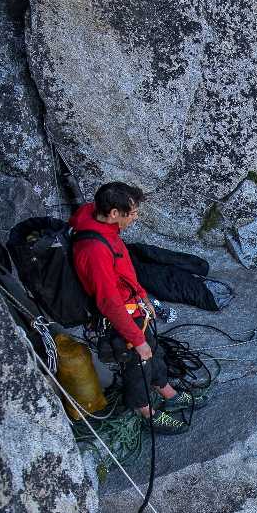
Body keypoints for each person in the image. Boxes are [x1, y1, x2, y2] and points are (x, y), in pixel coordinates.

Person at [70, 182, 196, 433]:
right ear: (114, 213)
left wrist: (142, 296)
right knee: (138, 359)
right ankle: (145, 411)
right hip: (118, 315)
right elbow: (108, 301)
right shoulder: (93, 250)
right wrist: (136, 338)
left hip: (133, 304)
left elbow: (122, 269)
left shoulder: (100, 221)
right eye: (133, 213)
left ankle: (165, 390)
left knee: (153, 349)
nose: (135, 217)